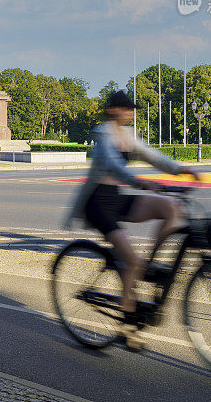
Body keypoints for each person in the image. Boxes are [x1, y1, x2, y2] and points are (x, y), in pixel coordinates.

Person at [65, 89, 200, 350]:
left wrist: (180, 169)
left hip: (117, 196)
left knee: (171, 209)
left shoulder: (127, 134)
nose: (131, 113)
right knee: (131, 263)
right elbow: (114, 165)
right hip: (98, 203)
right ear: (113, 110)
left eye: (132, 109)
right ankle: (128, 323)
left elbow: (151, 155)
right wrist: (139, 181)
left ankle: (150, 264)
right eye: (127, 109)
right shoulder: (103, 134)